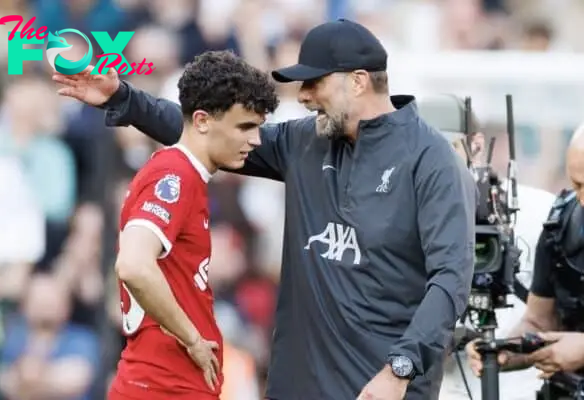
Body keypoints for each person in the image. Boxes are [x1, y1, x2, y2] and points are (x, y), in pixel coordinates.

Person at [53, 19, 477, 400]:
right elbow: (210, 130)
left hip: (383, 387)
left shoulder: (432, 160)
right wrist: (124, 97)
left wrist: (400, 369)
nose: (304, 96)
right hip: (300, 386)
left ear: (359, 82)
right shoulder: (306, 141)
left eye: (315, 83)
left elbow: (451, 280)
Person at [102, 50, 278, 400]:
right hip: (162, 385)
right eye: (244, 126)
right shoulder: (175, 175)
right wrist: (192, 339)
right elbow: (134, 265)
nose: (256, 141)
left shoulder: (185, 176)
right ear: (201, 120)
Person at [417, 94, 557, 399]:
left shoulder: (542, 211)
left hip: (530, 387)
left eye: (445, 151)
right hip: (451, 389)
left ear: (476, 145)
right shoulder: (405, 226)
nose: (433, 167)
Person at [463, 124, 584, 399]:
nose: (582, 198)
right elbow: (539, 322)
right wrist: (505, 351)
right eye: (576, 184)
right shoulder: (561, 225)